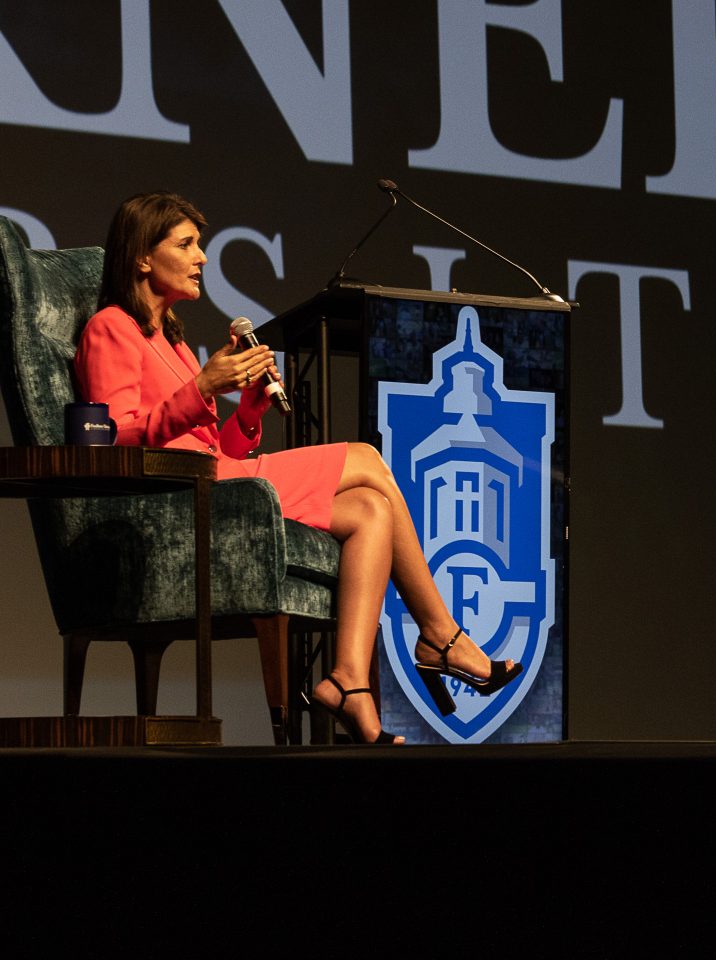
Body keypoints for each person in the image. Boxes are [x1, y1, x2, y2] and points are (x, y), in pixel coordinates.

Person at [74, 192, 521, 744]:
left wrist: (251, 411)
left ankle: (349, 681)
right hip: (176, 495)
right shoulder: (110, 328)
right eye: (186, 244)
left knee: (369, 509)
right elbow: (113, 439)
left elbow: (222, 448)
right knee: (367, 459)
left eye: (201, 245)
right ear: (142, 257)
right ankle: (439, 633)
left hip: (219, 481)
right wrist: (205, 387)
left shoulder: (177, 343)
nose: (203, 258)